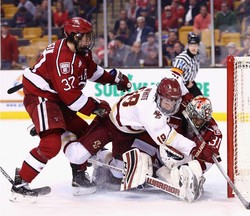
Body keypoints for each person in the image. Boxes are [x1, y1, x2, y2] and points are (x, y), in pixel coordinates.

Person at [11, 17, 131, 199]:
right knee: (51, 144)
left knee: (85, 133)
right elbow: (73, 100)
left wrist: (115, 79)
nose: (88, 40)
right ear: (73, 36)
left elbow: (93, 71)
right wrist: (95, 106)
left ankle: (79, 177)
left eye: (89, 36)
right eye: (84, 37)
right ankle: (21, 184)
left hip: (58, 98)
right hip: (42, 97)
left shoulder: (81, 52)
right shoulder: (63, 60)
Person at [93, 95, 222, 202]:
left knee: (190, 166)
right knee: (120, 171)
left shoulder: (213, 133)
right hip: (156, 148)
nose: (194, 121)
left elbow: (209, 160)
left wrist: (195, 170)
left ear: (206, 119)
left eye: (198, 119)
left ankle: (180, 176)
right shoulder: (175, 113)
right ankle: (103, 154)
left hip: (178, 157)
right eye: (192, 116)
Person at [171, 32, 202, 97]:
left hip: (191, 85)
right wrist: (186, 82)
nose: (193, 48)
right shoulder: (182, 58)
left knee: (201, 102)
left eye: (195, 46)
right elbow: (175, 76)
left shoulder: (197, 55)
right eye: (191, 45)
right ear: (188, 46)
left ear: (198, 46)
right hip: (181, 87)